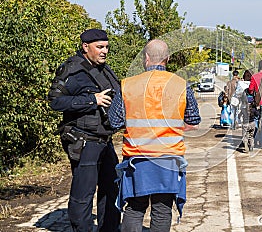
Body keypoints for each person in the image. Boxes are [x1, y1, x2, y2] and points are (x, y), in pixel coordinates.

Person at [108, 39, 201, 231]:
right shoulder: (181, 85)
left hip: (137, 159)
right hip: (169, 159)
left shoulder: (128, 85)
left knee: (134, 207)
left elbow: (114, 122)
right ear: (167, 59)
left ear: (146, 58)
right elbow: (193, 120)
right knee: (162, 209)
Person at [48, 28, 121, 231]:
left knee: (112, 189)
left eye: (106, 47)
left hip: (105, 140)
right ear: (85, 47)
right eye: (100, 47)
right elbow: (55, 101)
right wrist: (92, 100)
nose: (104, 51)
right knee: (83, 195)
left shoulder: (105, 69)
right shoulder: (72, 69)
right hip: (84, 141)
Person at [249, 60, 262, 147]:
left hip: (257, 101)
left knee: (255, 119)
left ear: (259, 67)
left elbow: (250, 89)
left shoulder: (254, 77)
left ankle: (254, 138)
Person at [240, 88, 259, 153]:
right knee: (251, 136)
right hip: (252, 123)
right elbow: (257, 114)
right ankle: (251, 146)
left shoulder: (243, 107)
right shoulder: (253, 108)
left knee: (245, 136)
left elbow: (239, 115)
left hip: (245, 124)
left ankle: (246, 146)